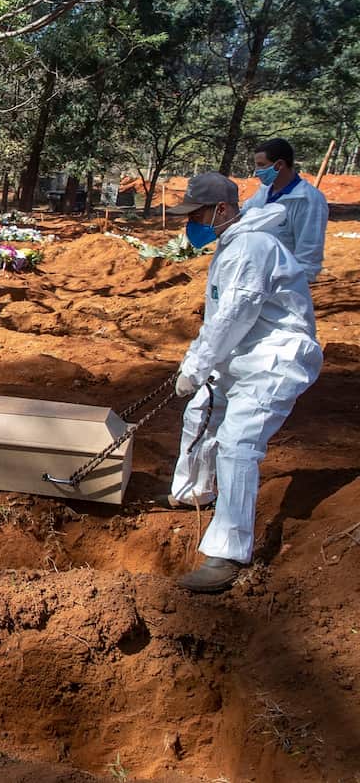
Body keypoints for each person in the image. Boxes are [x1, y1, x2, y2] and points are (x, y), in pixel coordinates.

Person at [162, 172, 321, 593]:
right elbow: (222, 320)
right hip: (244, 353)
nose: (189, 224)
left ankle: (229, 552)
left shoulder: (252, 248)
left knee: (237, 442)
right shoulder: (234, 243)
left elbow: (233, 316)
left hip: (275, 359)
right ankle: (193, 493)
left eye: (196, 215)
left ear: (223, 210)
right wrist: (197, 366)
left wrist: (195, 368)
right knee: (202, 412)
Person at [238, 138, 328, 282]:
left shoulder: (308, 200)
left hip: (282, 283)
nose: (257, 172)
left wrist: (291, 289)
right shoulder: (264, 192)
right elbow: (243, 216)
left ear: (279, 165)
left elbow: (309, 253)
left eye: (261, 165)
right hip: (254, 275)